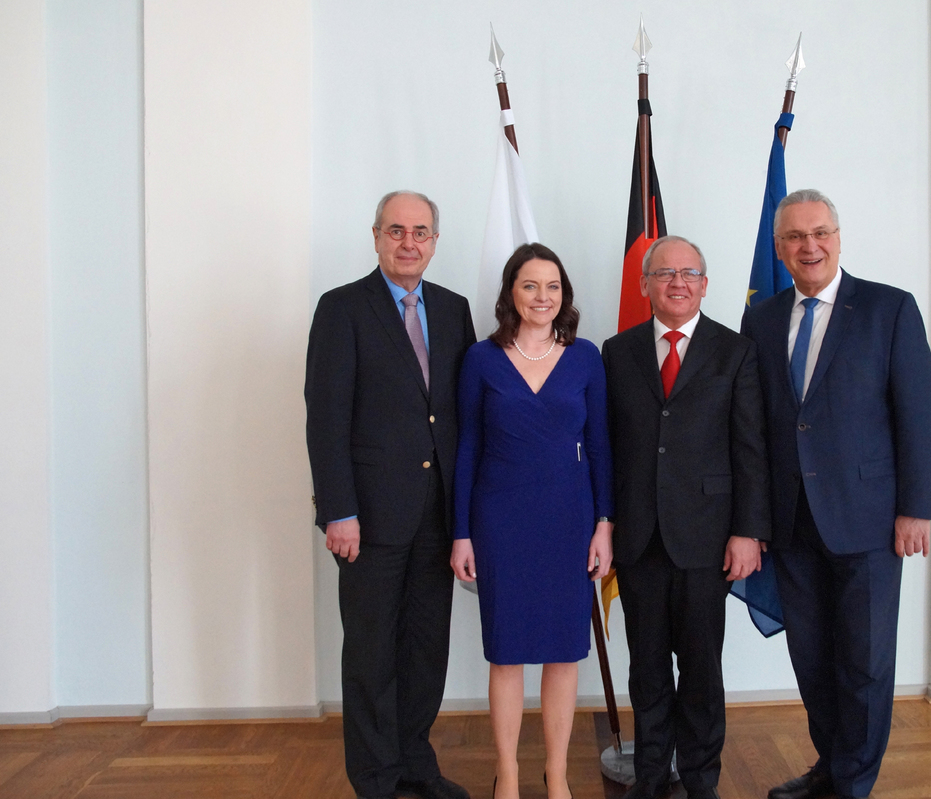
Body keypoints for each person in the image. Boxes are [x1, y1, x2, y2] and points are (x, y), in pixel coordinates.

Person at [740, 190, 931, 799]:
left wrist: (917, 508)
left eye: (820, 232)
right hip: (793, 523)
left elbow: (919, 415)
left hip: (871, 522)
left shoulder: (889, 309)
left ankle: (853, 785)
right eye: (796, 237)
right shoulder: (764, 318)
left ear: (837, 236)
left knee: (865, 663)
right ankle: (829, 768)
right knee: (813, 660)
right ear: (779, 248)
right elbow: (759, 424)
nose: (810, 246)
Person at [305, 191, 476, 799]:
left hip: (437, 514)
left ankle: (414, 764)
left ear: (434, 241)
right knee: (372, 653)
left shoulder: (455, 311)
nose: (409, 242)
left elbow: (460, 416)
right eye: (397, 231)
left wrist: (467, 516)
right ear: (376, 237)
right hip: (370, 518)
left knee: (426, 648)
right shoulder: (342, 308)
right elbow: (325, 418)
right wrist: (339, 511)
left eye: (421, 232)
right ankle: (375, 780)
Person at [602, 235, 771, 799]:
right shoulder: (616, 351)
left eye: (689, 273)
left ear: (704, 283)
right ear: (645, 284)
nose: (677, 282)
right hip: (640, 537)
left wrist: (748, 530)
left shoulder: (735, 351)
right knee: (646, 671)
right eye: (665, 273)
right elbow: (609, 446)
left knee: (701, 672)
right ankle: (650, 779)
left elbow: (750, 448)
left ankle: (701, 781)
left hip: (708, 539)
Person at [450, 243, 614, 799]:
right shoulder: (480, 358)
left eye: (552, 287)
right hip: (500, 520)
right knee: (507, 650)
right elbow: (467, 447)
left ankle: (559, 776)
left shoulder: (586, 356)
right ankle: (510, 778)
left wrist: (604, 524)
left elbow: (600, 448)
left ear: (563, 295)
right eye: (530, 286)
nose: (542, 297)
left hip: (569, 518)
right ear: (510, 293)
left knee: (565, 651)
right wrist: (460, 531)